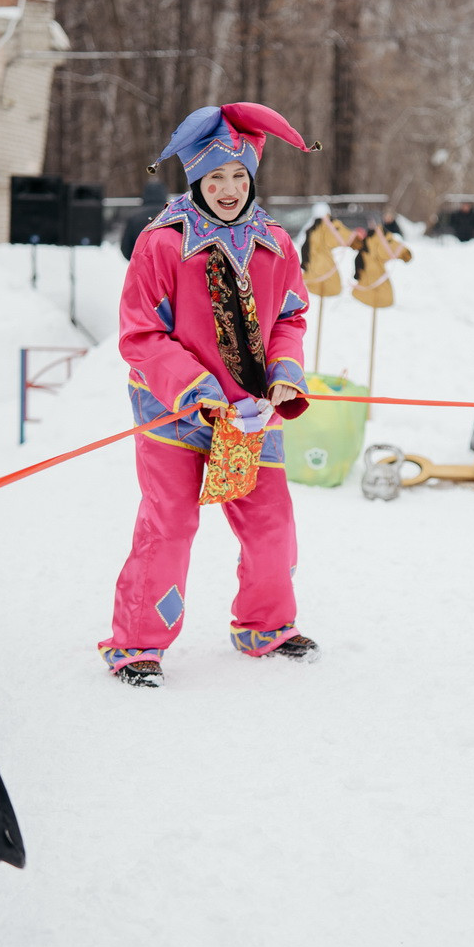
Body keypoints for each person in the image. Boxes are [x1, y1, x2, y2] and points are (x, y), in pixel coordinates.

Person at [105, 102, 319, 687]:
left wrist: (285, 372)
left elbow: (290, 317)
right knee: (169, 525)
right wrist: (194, 388)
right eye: (216, 176)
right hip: (174, 412)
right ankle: (137, 643)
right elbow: (141, 335)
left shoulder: (276, 243)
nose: (229, 188)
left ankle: (266, 626)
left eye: (239, 176)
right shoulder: (161, 243)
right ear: (196, 178)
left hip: (250, 414)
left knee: (271, 524)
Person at [119, 179, 168, 260]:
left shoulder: (134, 217)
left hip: (140, 264)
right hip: (167, 265)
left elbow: (126, 247)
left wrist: (136, 260)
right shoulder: (173, 216)